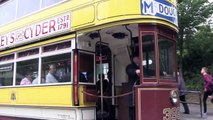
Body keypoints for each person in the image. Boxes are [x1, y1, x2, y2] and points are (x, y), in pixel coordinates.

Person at [126, 54, 140, 120]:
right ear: (134, 59)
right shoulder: (130, 66)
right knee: (132, 112)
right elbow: (129, 71)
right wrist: (135, 71)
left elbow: (149, 71)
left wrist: (161, 72)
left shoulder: (141, 67)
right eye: (138, 57)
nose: (140, 58)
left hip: (139, 94)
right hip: (132, 93)